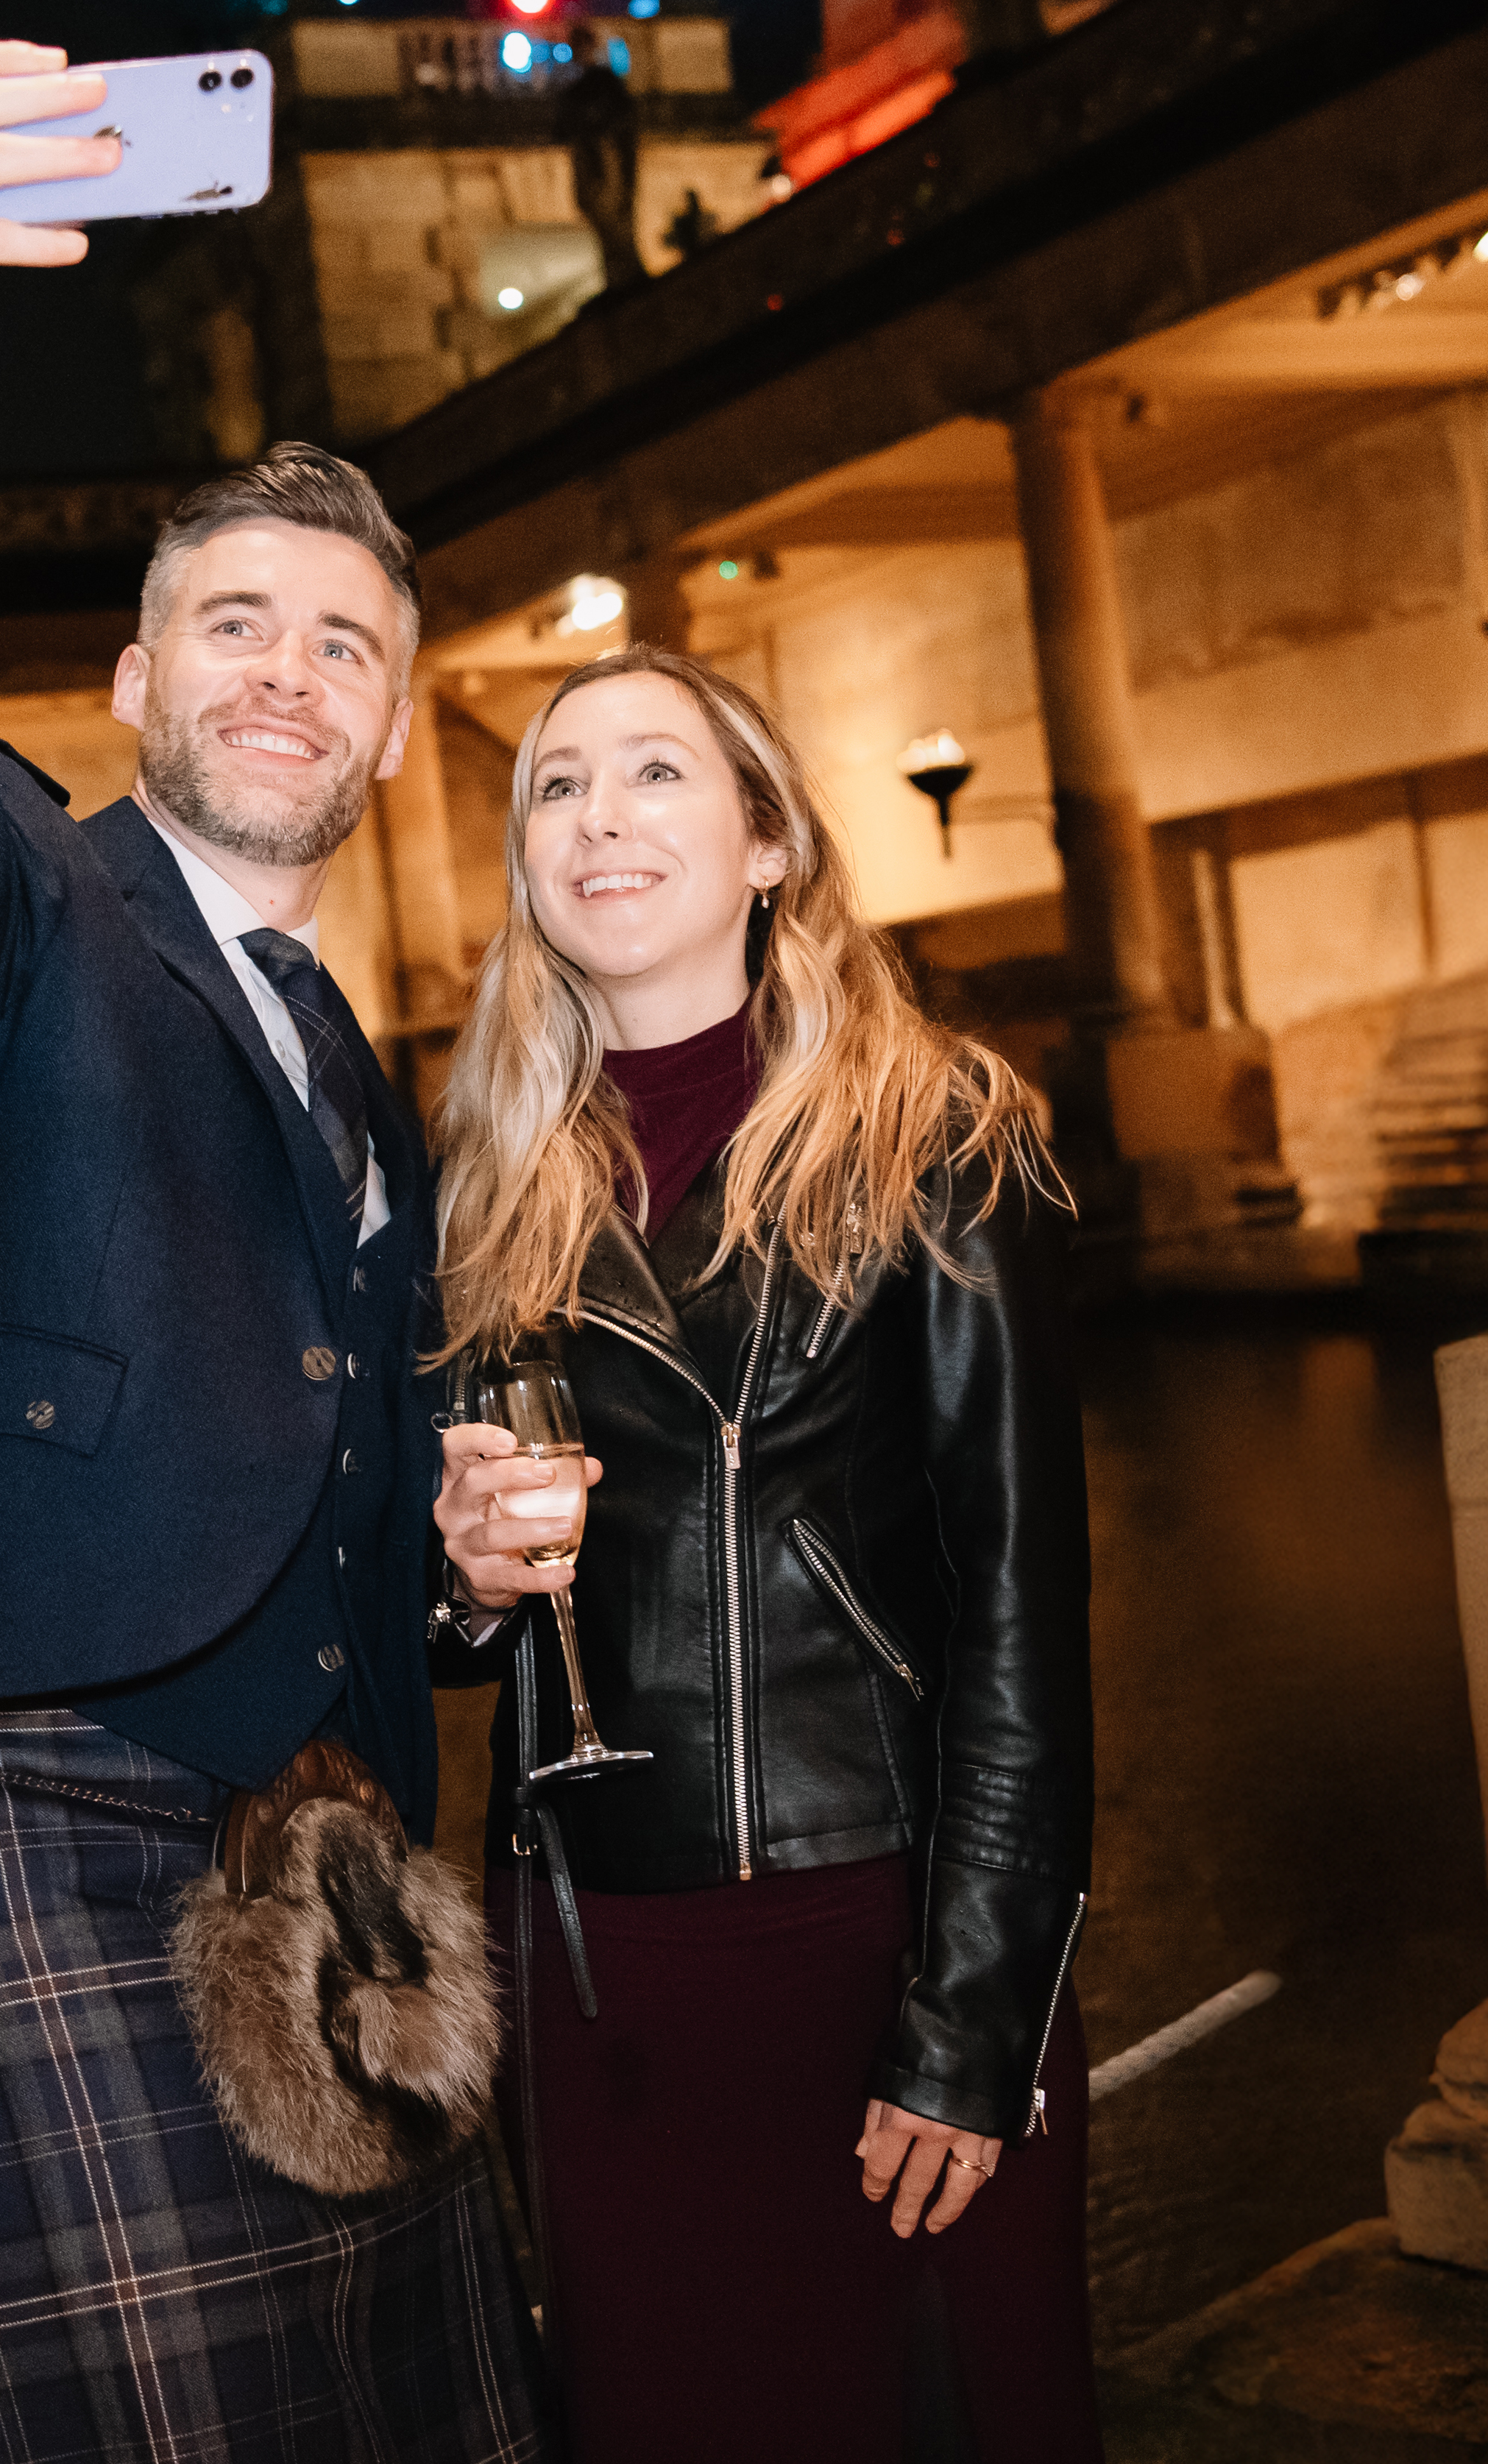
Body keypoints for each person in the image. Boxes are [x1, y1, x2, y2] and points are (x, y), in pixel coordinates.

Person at [0, 38, 543, 2464]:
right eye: (231, 623)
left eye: (341, 644)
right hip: (19, 1784)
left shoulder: (367, 1090)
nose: (285, 667)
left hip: (339, 1857)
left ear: (390, 731)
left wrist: (459, 1579)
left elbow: (319, 1483)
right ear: (127, 681)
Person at [428, 645, 1100, 2461]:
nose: (599, 816)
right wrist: (457, 1577)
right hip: (595, 1947)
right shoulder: (486, 1183)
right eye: (556, 787)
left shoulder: (933, 1137)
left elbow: (1021, 1616)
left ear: (766, 844)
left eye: (655, 772)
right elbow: (440, 1605)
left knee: (951, 2417)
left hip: (866, 1921)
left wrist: (971, 2020)